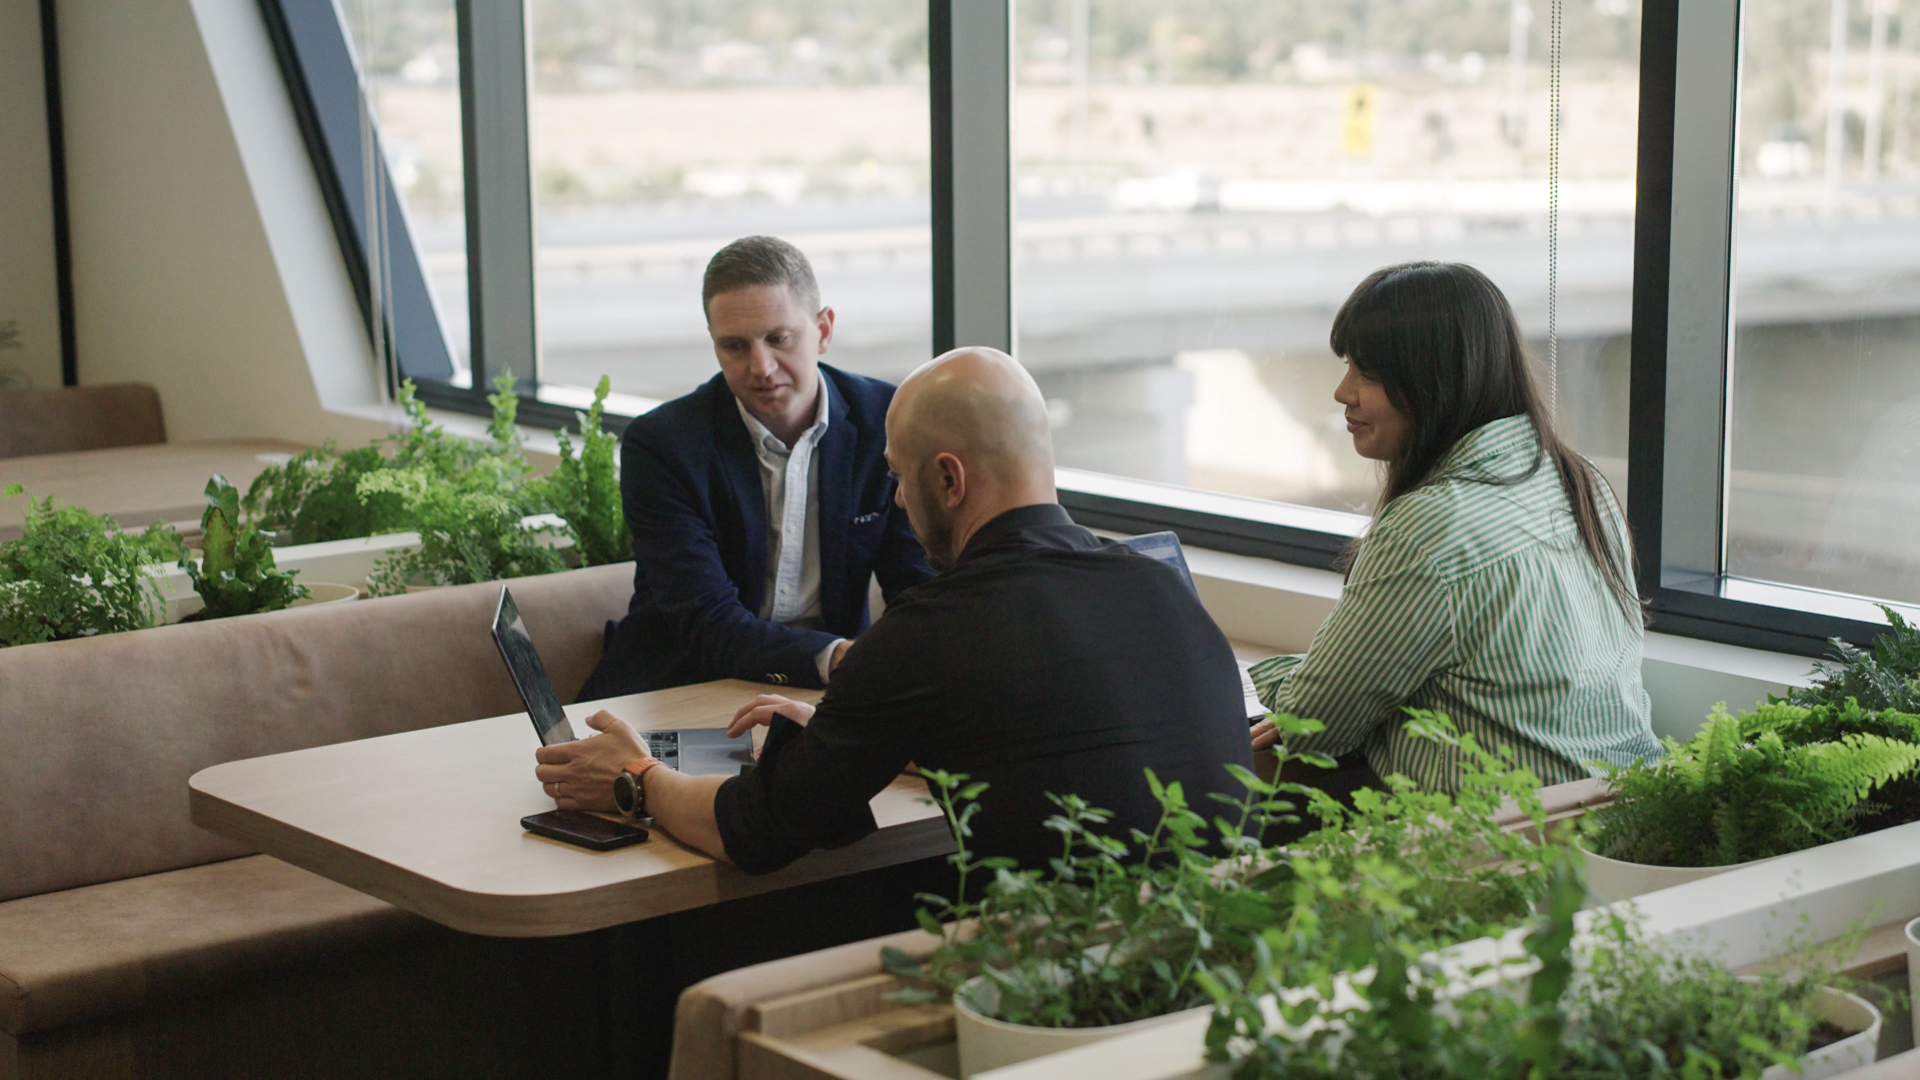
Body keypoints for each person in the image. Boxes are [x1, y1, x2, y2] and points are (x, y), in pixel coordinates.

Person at [538, 347, 1255, 873]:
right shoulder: (1162, 588)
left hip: (1055, 991)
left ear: (948, 478)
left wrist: (636, 777)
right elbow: (1040, 734)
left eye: (899, 480)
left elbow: (751, 831)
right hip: (1215, 968)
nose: (899, 502)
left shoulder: (931, 632)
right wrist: (854, 731)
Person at [1247, 261, 1661, 795]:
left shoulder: (1429, 526)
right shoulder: (1577, 480)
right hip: (1621, 812)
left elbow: (1314, 723)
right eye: (1349, 365)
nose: (1342, 392)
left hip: (1506, 845)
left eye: (1368, 373)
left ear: (1434, 380)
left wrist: (1289, 680)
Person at [576, 236, 935, 700]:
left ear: (823, 330)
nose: (761, 367)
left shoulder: (885, 422)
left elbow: (918, 587)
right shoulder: (664, 445)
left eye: (778, 339)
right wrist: (842, 659)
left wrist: (893, 668)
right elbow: (704, 621)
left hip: (829, 690)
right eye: (735, 346)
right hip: (683, 682)